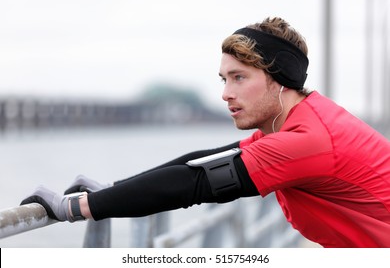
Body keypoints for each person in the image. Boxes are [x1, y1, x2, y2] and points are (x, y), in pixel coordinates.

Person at [21, 17, 390, 248]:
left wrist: (75, 208)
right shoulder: (300, 121)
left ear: (280, 80)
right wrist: (115, 189)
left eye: (239, 78)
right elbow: (205, 161)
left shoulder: (307, 141)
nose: (225, 93)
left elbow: (198, 183)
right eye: (224, 79)